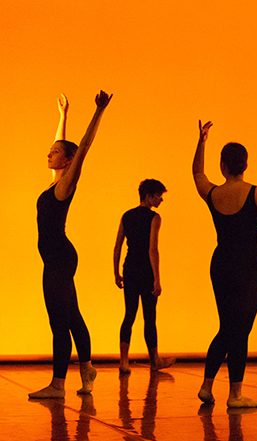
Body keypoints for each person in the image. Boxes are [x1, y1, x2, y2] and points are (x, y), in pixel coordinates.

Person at [29, 91, 112, 398]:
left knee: (60, 320)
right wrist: (63, 115)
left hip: (59, 260)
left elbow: (83, 147)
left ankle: (59, 384)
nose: (48, 154)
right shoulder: (55, 182)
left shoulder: (65, 185)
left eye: (54, 152)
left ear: (67, 160)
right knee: (71, 315)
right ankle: (85, 369)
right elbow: (62, 143)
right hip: (57, 258)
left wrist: (98, 112)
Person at [192, 121, 257, 408]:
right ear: (245, 164)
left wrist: (201, 141)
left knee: (227, 326)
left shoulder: (213, 193)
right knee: (239, 329)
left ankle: (207, 386)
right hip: (248, 265)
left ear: (223, 166)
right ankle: (235, 394)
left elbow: (198, 174)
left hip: (221, 263)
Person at [113, 179, 176, 373]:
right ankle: (154, 360)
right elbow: (152, 249)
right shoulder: (154, 218)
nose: (160, 200)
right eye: (158, 196)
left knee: (129, 314)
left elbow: (117, 246)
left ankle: (124, 361)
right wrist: (157, 278)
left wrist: (116, 272)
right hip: (146, 271)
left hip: (130, 269)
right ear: (148, 196)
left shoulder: (127, 216)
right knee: (149, 316)